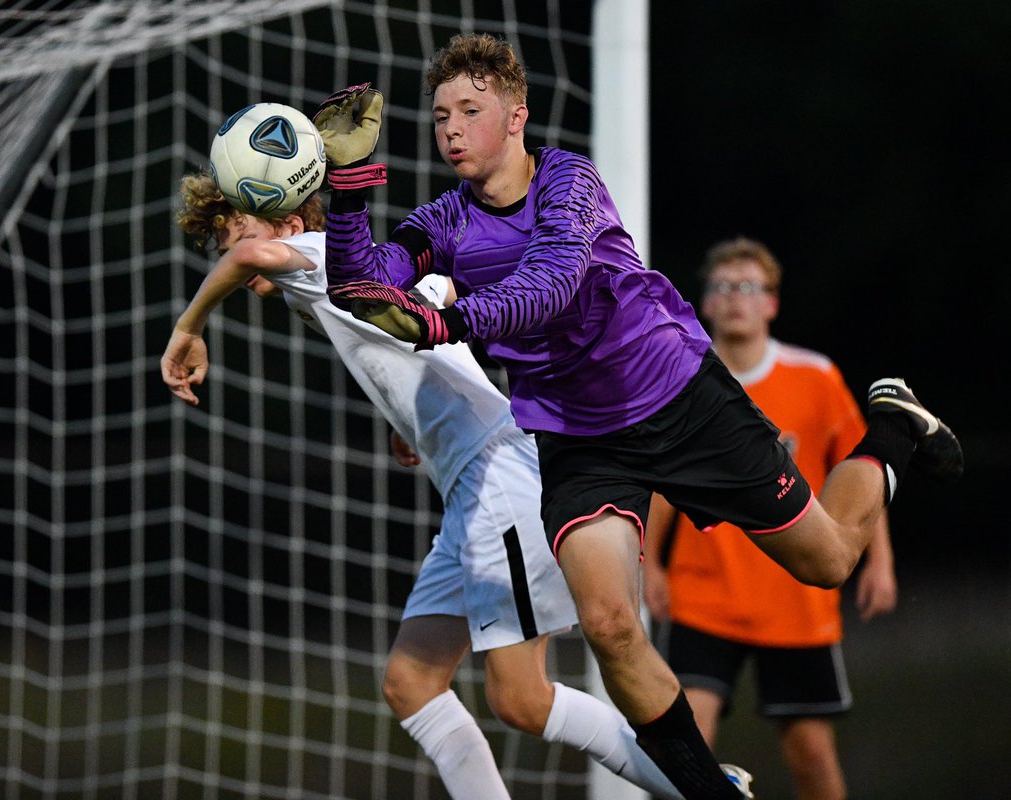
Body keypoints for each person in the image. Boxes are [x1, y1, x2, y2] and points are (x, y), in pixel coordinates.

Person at [314, 33, 961, 799]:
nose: (451, 128)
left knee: (827, 562)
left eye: (470, 110)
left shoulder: (569, 182)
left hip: (680, 399)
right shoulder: (442, 223)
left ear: (516, 117)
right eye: (439, 115)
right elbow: (359, 287)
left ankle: (893, 425)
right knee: (611, 624)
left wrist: (444, 324)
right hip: (578, 442)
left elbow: (548, 285)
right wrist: (350, 185)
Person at [160, 178, 697, 799]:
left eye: (238, 234)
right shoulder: (346, 273)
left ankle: (699, 786)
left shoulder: (319, 256)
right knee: (412, 680)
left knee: (521, 698)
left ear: (285, 223)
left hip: (497, 481)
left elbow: (250, 259)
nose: (232, 255)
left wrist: (188, 328)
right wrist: (415, 412)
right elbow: (437, 301)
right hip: (470, 488)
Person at [643, 237, 899, 800]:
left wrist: (879, 559)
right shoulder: (681, 374)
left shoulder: (815, 377)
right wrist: (650, 566)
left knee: (810, 754)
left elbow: (858, 471)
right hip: (704, 597)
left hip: (795, 600)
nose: (736, 299)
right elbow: (664, 484)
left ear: (772, 304)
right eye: (723, 287)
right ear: (704, 303)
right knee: (689, 745)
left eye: (749, 287)